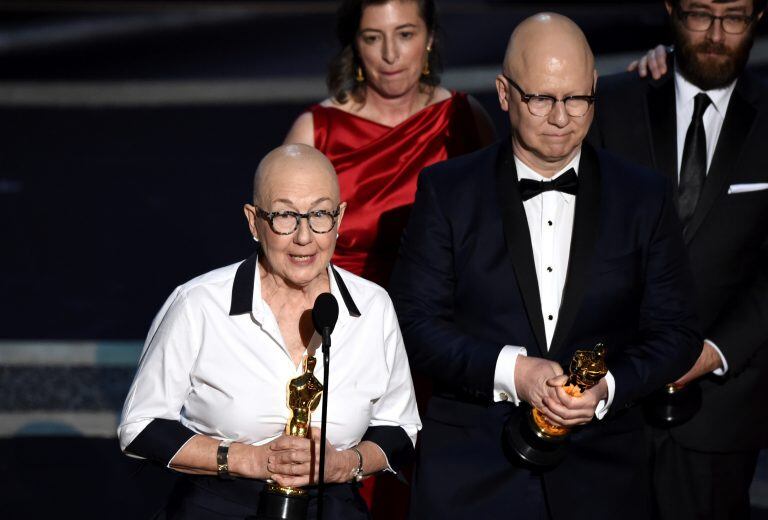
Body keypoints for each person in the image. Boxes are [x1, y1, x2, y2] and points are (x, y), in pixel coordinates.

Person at [389, 13, 701, 520]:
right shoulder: (447, 191)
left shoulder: (644, 195)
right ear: (505, 93)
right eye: (541, 98)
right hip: (472, 476)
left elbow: (678, 330)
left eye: (577, 98)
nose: (561, 117)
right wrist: (515, 371)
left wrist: (608, 387)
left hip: (603, 478)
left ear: (594, 89)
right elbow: (412, 324)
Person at [118, 144, 420, 519]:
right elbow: (141, 427)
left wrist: (343, 465)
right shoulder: (198, 304)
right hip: (220, 505)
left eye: (320, 214)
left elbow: (400, 428)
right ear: (253, 221)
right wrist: (250, 460)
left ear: (340, 219)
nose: (304, 237)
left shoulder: (373, 307)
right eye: (284, 216)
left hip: (332, 505)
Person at [590, 1, 768, 518]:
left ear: (758, 19)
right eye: (699, 14)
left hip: (722, 411)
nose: (715, 33)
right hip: (607, 405)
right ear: (670, 10)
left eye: (733, 17)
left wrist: (714, 351)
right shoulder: (615, 101)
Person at [284, 0, 495, 287]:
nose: (390, 54)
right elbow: (281, 247)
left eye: (405, 34)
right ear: (356, 44)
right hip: (344, 316)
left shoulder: (465, 119)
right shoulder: (315, 133)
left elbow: (495, 242)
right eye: (373, 38)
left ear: (430, 37)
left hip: (446, 315)